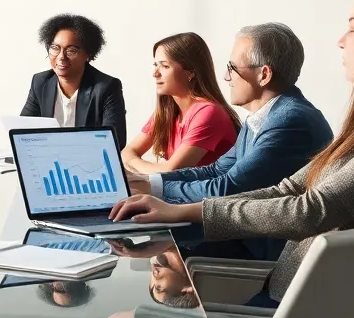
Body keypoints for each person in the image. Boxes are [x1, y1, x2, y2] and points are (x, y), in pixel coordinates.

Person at [110, 0, 354, 314]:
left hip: (308, 314)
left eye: (352, 27)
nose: (341, 41)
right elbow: (291, 189)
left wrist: (183, 213)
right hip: (293, 293)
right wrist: (176, 208)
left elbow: (311, 210)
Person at [129, 24, 334, 262]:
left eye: (232, 68)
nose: (226, 77)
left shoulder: (289, 121)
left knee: (150, 248)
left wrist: (151, 189)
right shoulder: (262, 117)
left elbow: (229, 189)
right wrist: (149, 183)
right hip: (242, 234)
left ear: (264, 75)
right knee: (147, 239)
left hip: (266, 252)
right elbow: (216, 169)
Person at [120, 32, 239, 175]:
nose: (155, 73)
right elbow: (127, 152)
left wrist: (133, 162)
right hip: (181, 192)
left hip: (210, 195)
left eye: (165, 66)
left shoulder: (208, 112)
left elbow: (171, 171)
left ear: (190, 73)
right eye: (155, 65)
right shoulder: (167, 112)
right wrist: (134, 160)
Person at [21, 14, 127, 146]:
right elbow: (22, 131)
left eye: (71, 50)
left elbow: (115, 141)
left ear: (88, 54)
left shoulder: (107, 87)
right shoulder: (40, 82)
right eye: (55, 48)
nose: (61, 57)